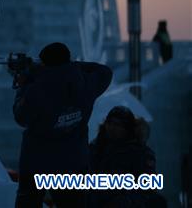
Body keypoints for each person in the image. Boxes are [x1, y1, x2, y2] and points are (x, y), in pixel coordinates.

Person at [12, 42, 112, 208]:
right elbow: (104, 71)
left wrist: (24, 84)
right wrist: (71, 66)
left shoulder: (37, 89)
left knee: (28, 203)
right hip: (73, 162)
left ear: (44, 63)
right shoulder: (85, 82)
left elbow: (20, 117)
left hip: (37, 162)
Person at [89, 107, 164, 208]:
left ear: (127, 128)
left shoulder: (140, 154)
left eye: (117, 124)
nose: (112, 127)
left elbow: (147, 189)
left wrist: (125, 202)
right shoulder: (95, 148)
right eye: (109, 123)